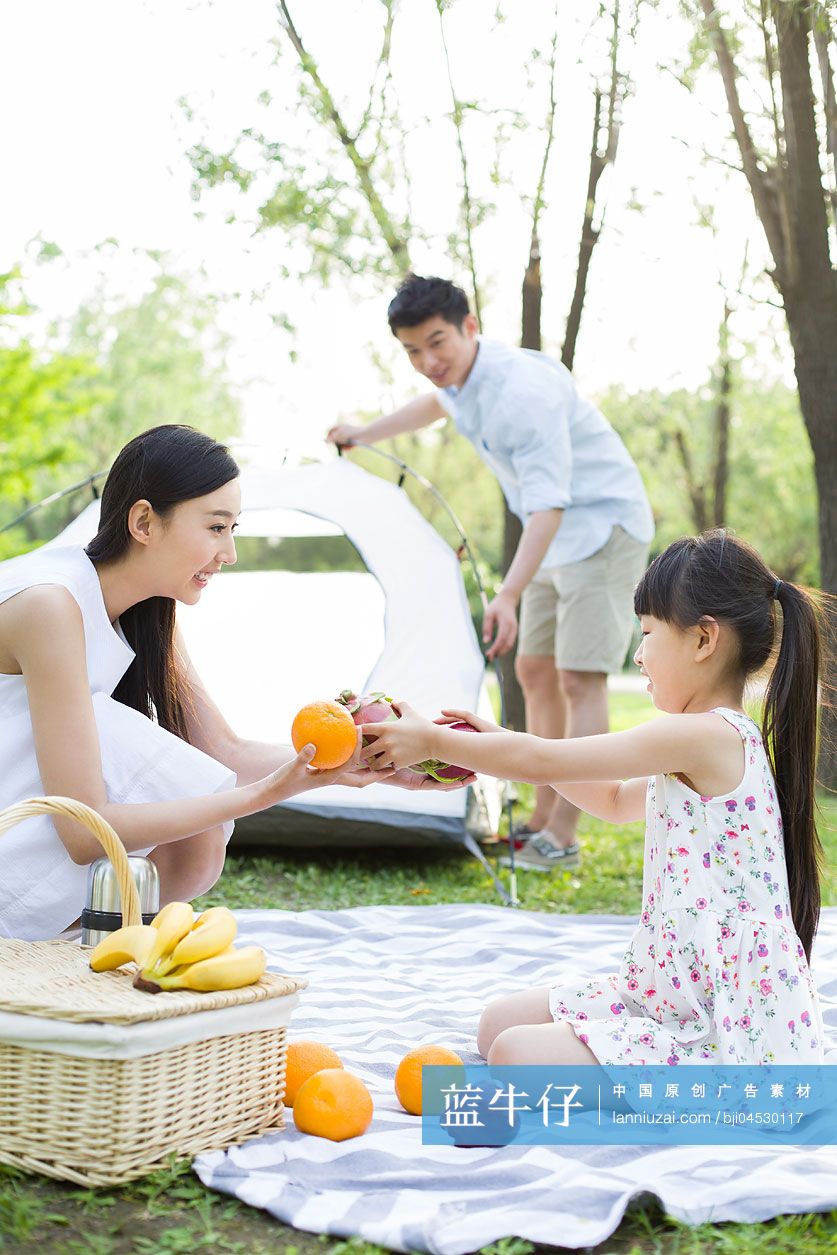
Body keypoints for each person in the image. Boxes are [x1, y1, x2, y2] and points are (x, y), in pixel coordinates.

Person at [361, 530, 826, 1066]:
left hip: (726, 1029)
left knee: (514, 1053)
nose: (639, 653)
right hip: (667, 994)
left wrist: (436, 741)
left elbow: (544, 761)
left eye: (648, 633)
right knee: (497, 1025)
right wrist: (489, 744)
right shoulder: (693, 743)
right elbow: (608, 798)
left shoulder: (706, 735)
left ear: (703, 640)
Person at [0, 424, 467, 941]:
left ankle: (65, 953)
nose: (230, 553)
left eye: (233, 529)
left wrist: (355, 760)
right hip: (21, 820)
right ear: (142, 522)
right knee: (121, 736)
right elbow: (82, 830)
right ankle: (28, 951)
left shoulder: (147, 610)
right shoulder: (50, 605)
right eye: (216, 527)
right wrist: (265, 793)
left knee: (195, 847)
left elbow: (224, 750)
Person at [327, 274, 654, 873]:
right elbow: (436, 403)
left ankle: (565, 833)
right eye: (412, 351)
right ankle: (537, 813)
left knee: (580, 678)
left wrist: (506, 594)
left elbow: (549, 504)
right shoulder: (458, 380)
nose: (428, 362)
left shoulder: (522, 393)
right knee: (532, 669)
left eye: (437, 343)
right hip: (552, 538)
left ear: (471, 327)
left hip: (601, 529)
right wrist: (365, 434)